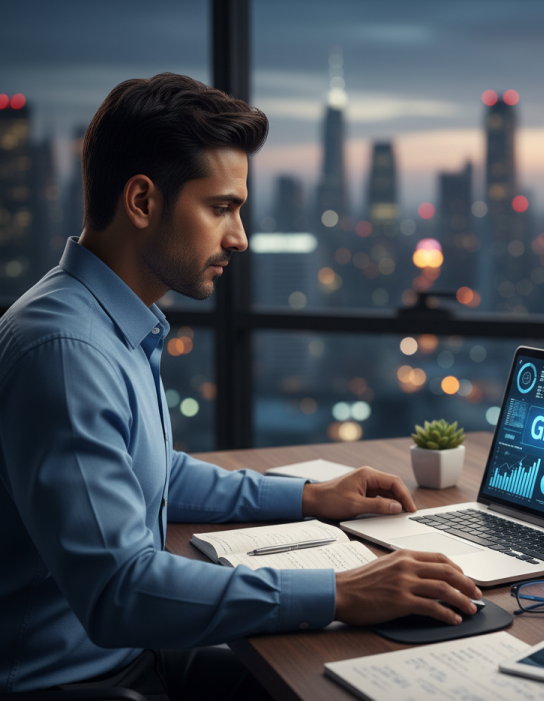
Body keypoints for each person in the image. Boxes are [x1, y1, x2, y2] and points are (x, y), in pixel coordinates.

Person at [0, 74, 481, 699]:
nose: (240, 237)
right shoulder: (66, 351)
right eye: (221, 207)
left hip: (131, 657)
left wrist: (311, 497)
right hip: (75, 682)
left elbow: (157, 474)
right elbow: (120, 592)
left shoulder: (105, 321)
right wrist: (343, 592)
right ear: (142, 201)